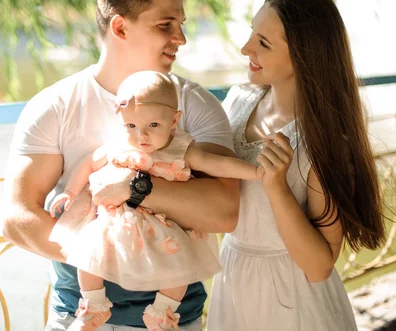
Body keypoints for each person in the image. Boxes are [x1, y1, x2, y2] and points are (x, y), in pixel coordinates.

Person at [2, 0, 240, 331]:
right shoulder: (55, 105)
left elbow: (224, 211)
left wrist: (134, 189)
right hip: (78, 319)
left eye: (181, 25)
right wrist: (107, 261)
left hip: (173, 321)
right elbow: (17, 219)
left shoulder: (196, 105)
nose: (181, 38)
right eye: (166, 25)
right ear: (119, 27)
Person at [206, 0, 386, 331]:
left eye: (263, 43)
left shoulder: (324, 140)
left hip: (294, 303)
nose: (246, 49)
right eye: (251, 35)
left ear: (304, 55)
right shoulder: (237, 101)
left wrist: (277, 188)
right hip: (231, 280)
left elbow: (319, 267)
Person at [48, 70, 262, 331]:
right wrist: (69, 192)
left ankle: (162, 313)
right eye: (131, 126)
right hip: (115, 222)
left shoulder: (181, 149)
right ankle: (94, 305)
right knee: (88, 252)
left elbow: (216, 164)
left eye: (153, 126)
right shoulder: (119, 144)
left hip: (162, 225)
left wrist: (255, 172)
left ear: (174, 121)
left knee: (181, 263)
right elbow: (89, 164)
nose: (142, 136)